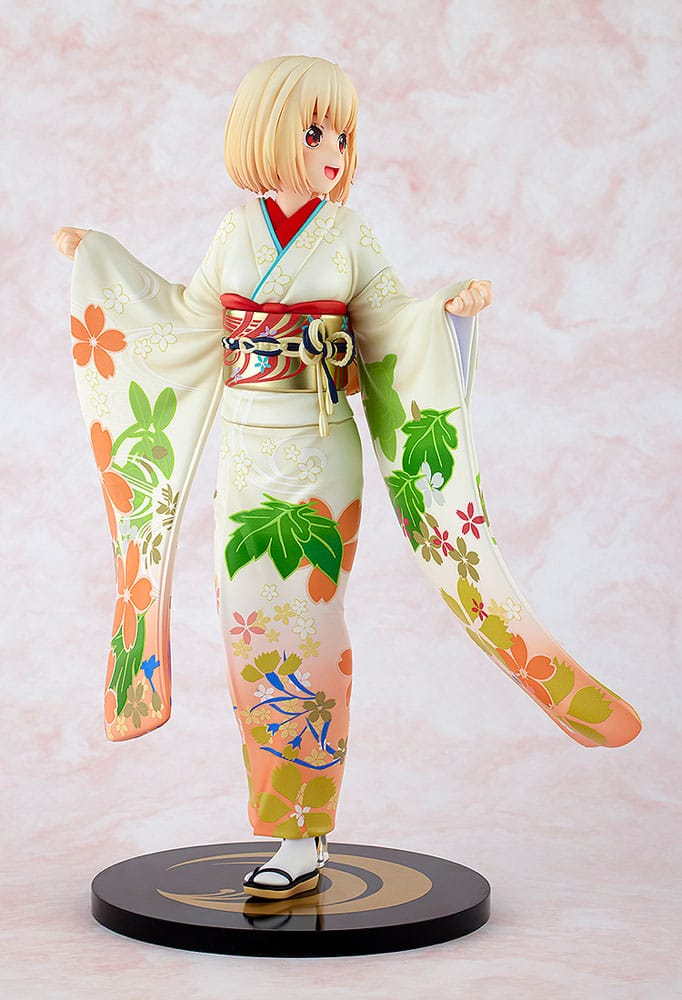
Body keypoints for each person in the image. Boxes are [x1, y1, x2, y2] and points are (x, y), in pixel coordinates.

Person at [54, 55, 641, 901]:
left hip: (323, 452)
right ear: (266, 134)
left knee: (309, 624)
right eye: (314, 132)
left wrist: (442, 316)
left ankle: (303, 834)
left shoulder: (350, 235)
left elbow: (392, 327)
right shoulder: (235, 232)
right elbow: (181, 320)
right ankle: (289, 821)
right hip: (246, 454)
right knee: (248, 622)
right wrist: (101, 265)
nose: (333, 151)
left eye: (343, 135)